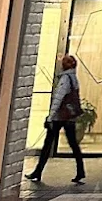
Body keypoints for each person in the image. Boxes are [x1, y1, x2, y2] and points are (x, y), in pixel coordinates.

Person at [27, 53, 86, 184]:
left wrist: (50, 116)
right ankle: (80, 170)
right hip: (69, 117)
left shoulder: (65, 79)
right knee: (73, 144)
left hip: (60, 116)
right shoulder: (74, 78)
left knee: (48, 144)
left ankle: (38, 171)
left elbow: (58, 98)